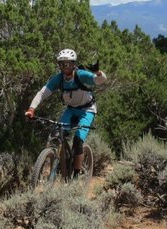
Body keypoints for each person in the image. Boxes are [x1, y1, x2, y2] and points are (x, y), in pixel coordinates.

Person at [24, 48, 107, 176]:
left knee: (78, 140)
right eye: (63, 64)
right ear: (59, 65)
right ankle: (58, 162)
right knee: (57, 135)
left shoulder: (81, 75)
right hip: (71, 110)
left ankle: (76, 173)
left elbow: (100, 80)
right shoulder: (59, 79)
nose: (66, 66)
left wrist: (98, 72)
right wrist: (31, 109)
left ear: (74, 64)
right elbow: (42, 93)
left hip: (87, 110)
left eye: (68, 63)